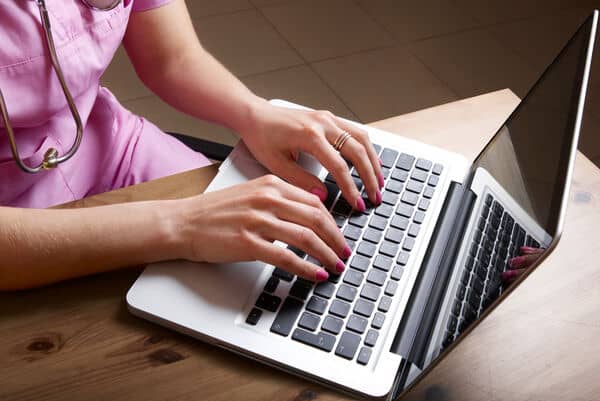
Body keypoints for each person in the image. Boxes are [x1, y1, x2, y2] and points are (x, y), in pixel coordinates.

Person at [0, 0, 538, 291]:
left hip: (108, 147)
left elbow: (172, 58)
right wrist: (183, 226)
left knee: (271, 279)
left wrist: (256, 113)